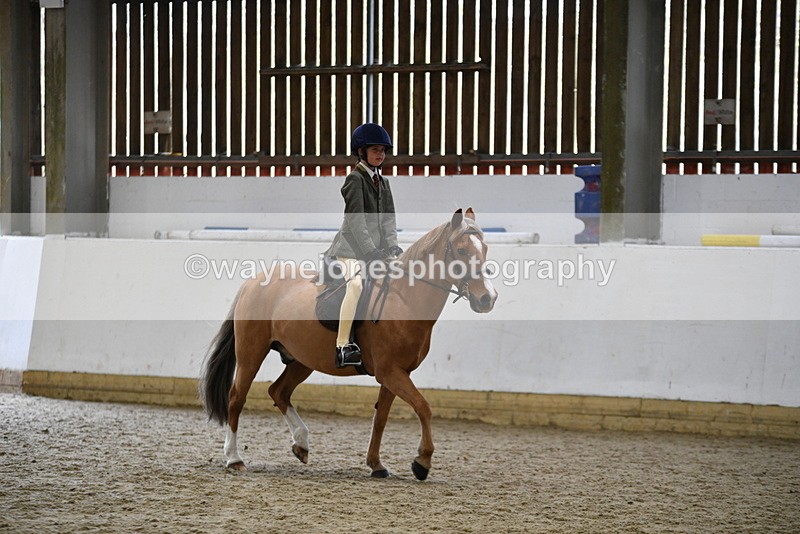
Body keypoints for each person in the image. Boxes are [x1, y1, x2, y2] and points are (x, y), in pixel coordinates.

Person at [324, 123, 403, 368]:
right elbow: (356, 222)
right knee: (356, 285)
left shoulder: (384, 182)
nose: (380, 154)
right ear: (361, 152)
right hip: (349, 250)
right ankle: (343, 346)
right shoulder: (354, 180)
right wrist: (370, 251)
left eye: (383, 150)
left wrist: (392, 247)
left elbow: (389, 219)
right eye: (375, 149)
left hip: (375, 252)